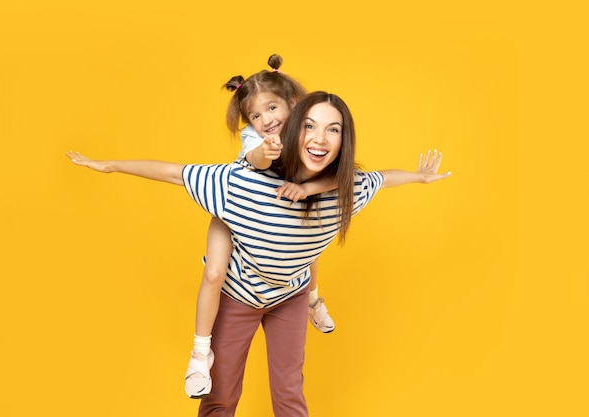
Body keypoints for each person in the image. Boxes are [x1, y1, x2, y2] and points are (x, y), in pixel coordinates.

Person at [66, 90, 451, 417]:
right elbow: (172, 172)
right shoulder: (242, 181)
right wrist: (110, 165)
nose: (320, 138)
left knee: (289, 393)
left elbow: (383, 178)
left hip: (291, 296)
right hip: (239, 296)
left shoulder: (350, 190)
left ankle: (315, 301)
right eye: (310, 126)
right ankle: (201, 356)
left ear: (343, 140)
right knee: (220, 395)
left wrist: (418, 176)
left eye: (333, 129)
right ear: (292, 129)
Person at [187, 54, 337, 398]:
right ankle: (198, 355)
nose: (265, 120)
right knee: (214, 273)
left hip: (283, 215)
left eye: (271, 109)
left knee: (307, 239)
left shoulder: (307, 131)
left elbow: (338, 174)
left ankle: (313, 299)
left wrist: (307, 186)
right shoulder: (255, 141)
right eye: (255, 115)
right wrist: (267, 151)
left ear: (293, 104)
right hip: (238, 205)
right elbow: (256, 159)